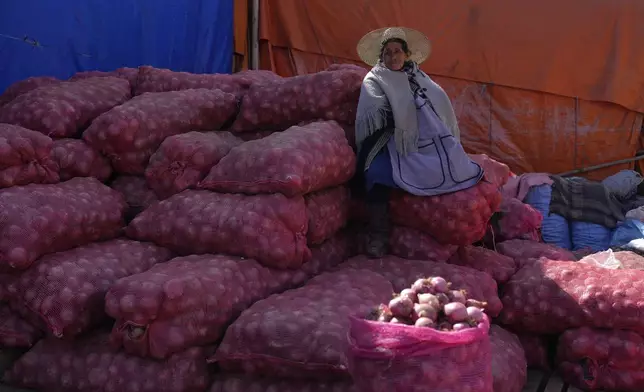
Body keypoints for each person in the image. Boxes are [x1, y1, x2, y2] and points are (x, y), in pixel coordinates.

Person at [354, 27, 484, 258]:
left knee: (456, 166)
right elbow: (373, 110)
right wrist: (403, 112)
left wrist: (424, 115)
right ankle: (379, 234)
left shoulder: (419, 77)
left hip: (427, 136)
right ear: (381, 57)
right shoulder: (375, 78)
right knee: (375, 173)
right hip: (388, 136)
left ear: (406, 54)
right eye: (387, 53)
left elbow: (439, 104)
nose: (393, 57)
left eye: (397, 51)